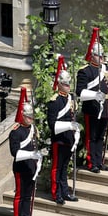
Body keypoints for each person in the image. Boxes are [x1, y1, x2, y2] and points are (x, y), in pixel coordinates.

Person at [76, 28, 108, 173]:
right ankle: (91, 162)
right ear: (92, 56)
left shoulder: (107, 68)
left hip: (105, 107)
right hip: (92, 108)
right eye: (99, 56)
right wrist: (94, 96)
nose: (102, 58)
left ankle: (100, 161)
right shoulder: (85, 71)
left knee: (101, 136)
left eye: (102, 56)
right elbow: (79, 91)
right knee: (91, 137)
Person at [9, 86, 42, 216]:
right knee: (20, 196)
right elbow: (15, 152)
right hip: (21, 167)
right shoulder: (16, 131)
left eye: (31, 117)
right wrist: (31, 156)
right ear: (22, 116)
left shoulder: (32, 129)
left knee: (28, 196)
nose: (30, 119)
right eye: (28, 117)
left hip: (31, 167)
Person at [47, 56, 80, 204]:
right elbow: (52, 124)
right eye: (65, 84)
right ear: (60, 84)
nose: (68, 87)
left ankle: (65, 191)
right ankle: (56, 193)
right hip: (59, 139)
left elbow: (73, 116)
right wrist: (68, 127)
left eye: (69, 84)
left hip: (69, 138)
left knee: (65, 166)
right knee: (57, 167)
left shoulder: (71, 98)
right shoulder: (55, 101)